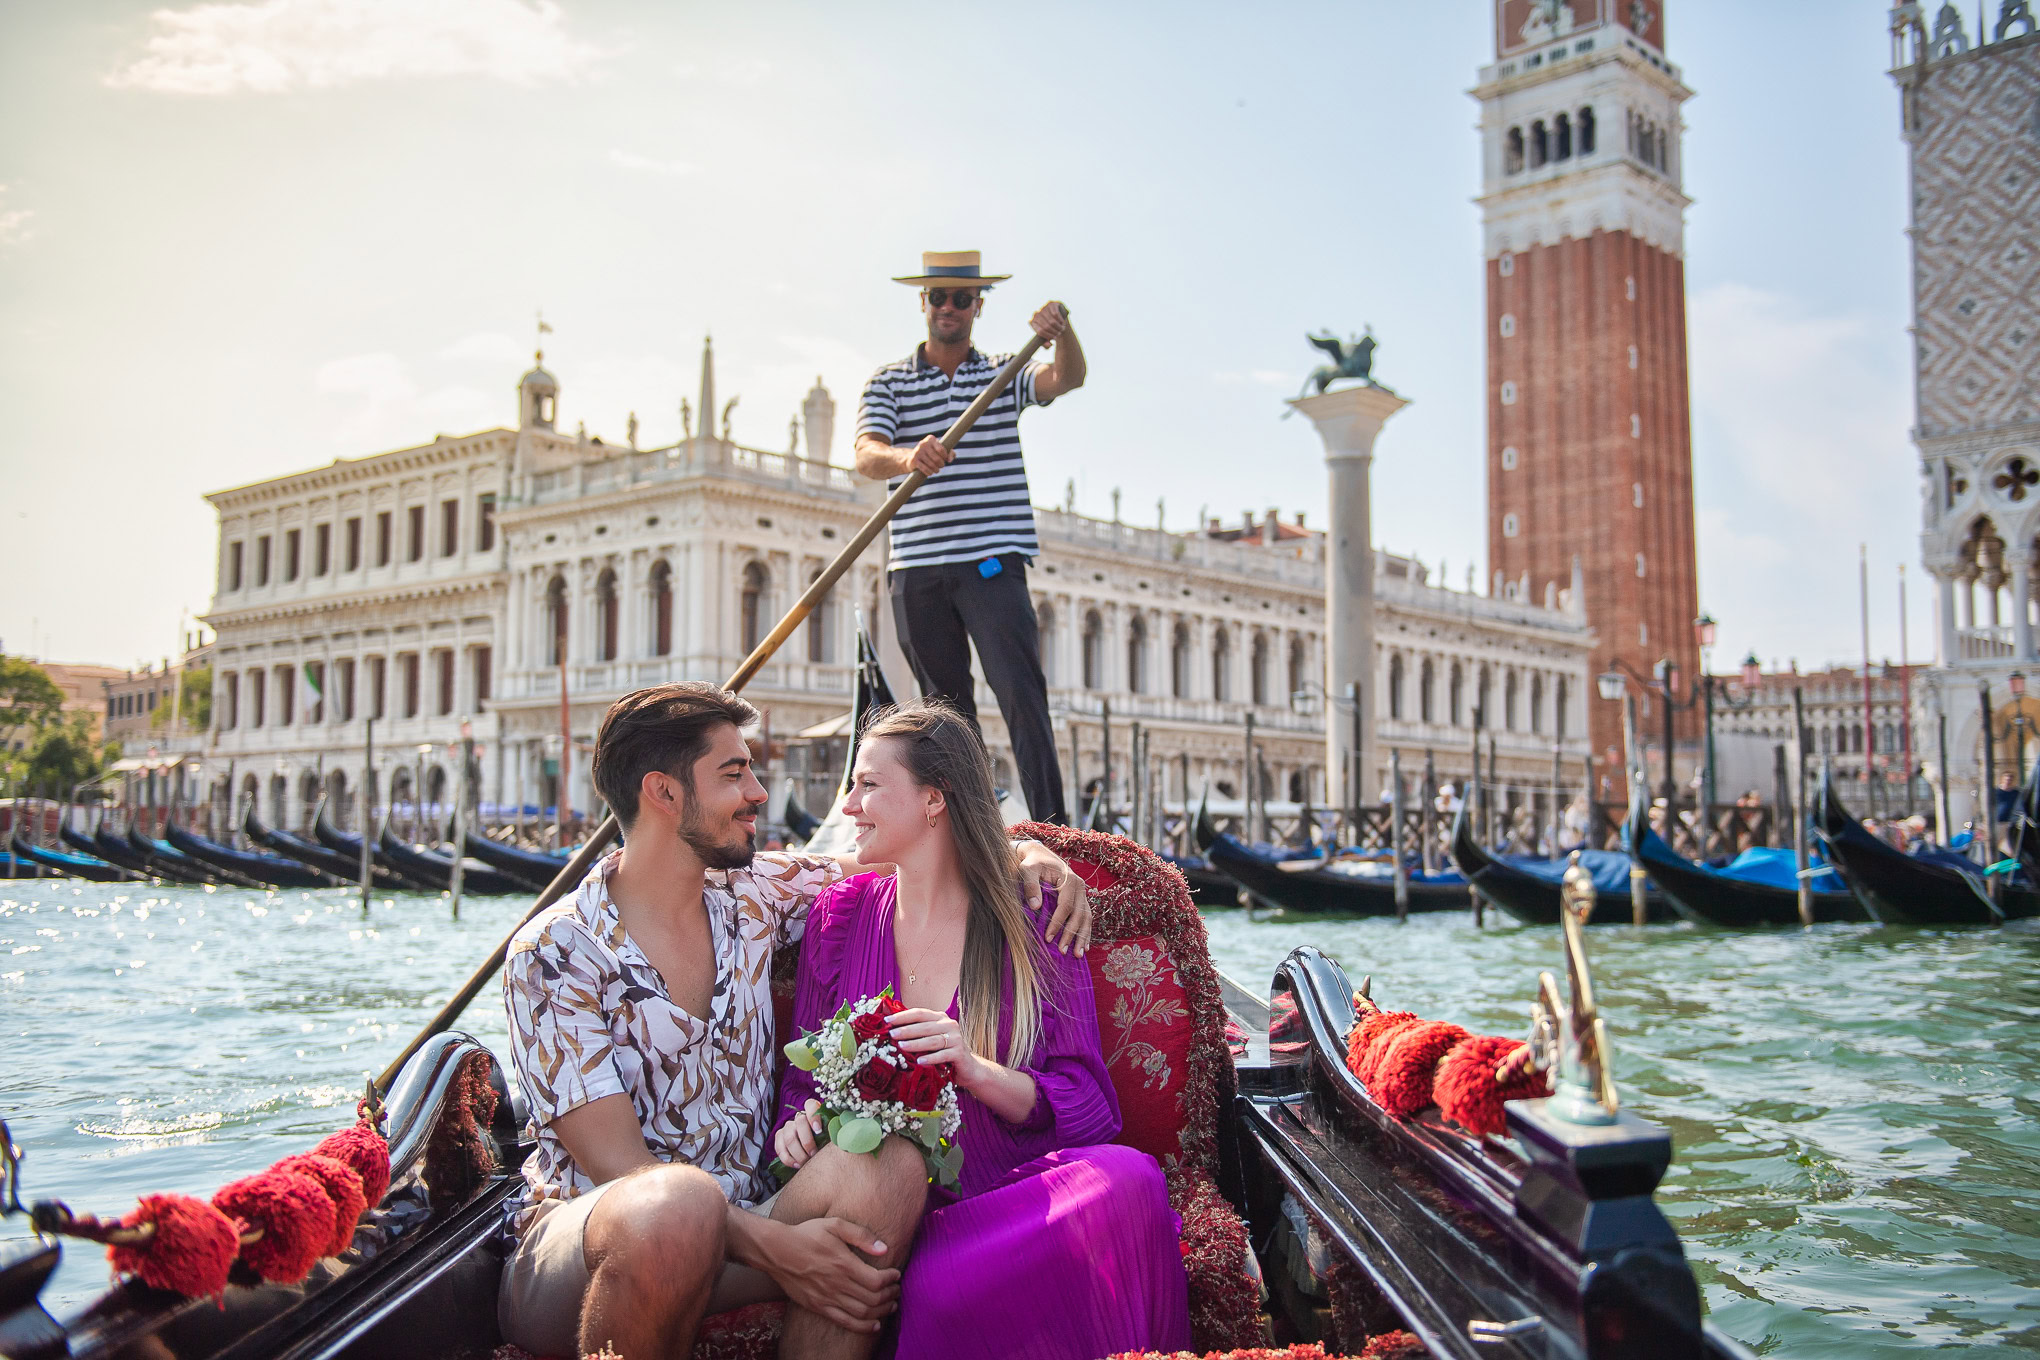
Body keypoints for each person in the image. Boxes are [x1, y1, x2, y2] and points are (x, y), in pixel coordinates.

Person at [497, 682, 1094, 1360]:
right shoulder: (553, 951)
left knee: (890, 1164)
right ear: (662, 794)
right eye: (734, 773)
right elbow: (621, 1170)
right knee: (674, 1206)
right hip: (592, 1244)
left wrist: (1028, 853)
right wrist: (783, 1251)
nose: (759, 791)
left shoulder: (756, 893)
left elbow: (924, 851)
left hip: (748, 1217)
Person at [772, 699, 1191, 1360]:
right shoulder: (841, 914)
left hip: (1004, 1203)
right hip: (876, 1200)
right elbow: (802, 1085)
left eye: (867, 784)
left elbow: (1090, 1107)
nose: (846, 805)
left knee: (1130, 1179)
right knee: (935, 1272)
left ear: (935, 800)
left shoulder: (1034, 914)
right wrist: (798, 1128)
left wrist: (975, 1069)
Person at [854, 250, 1086, 826]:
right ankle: (973, 831)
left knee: (1021, 698)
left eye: (962, 297)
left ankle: (1053, 831)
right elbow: (866, 454)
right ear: (924, 304)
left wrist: (1063, 333)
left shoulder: (1004, 374)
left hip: (990, 561)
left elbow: (1066, 377)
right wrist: (910, 455)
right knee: (945, 715)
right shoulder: (888, 384)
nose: (950, 307)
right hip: (917, 567)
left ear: (978, 305)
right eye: (940, 297)